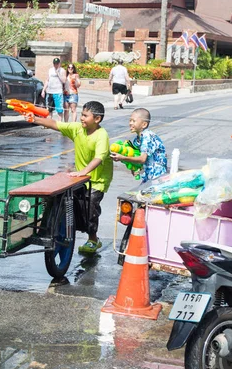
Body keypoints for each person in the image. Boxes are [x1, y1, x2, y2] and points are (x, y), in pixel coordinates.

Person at [24, 101, 113, 255]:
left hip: (98, 181)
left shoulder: (101, 135)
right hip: (81, 178)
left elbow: (99, 158)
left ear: (97, 119)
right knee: (66, 201)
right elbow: (54, 124)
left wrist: (84, 171)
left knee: (90, 208)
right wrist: (34, 119)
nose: (81, 118)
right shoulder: (77, 129)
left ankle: (93, 239)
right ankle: (48, 229)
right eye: (81, 114)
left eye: (85, 116)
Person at [110, 108, 167, 183]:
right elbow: (137, 157)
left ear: (144, 124)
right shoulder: (137, 140)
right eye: (130, 120)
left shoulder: (147, 136)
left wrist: (122, 158)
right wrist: (135, 168)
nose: (130, 123)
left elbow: (142, 159)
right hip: (149, 175)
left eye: (134, 121)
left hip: (157, 176)